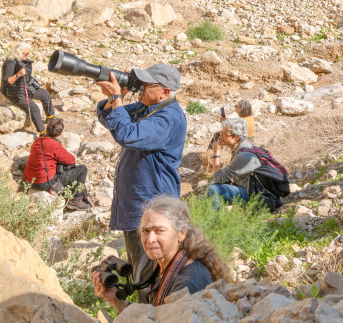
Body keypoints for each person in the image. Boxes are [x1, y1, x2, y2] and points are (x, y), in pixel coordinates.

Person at [96, 64, 186, 302]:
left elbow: (126, 134)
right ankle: (144, 310)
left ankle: (149, 313)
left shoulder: (167, 118)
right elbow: (111, 119)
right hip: (137, 205)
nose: (142, 88)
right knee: (140, 270)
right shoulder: (146, 108)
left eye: (147, 84)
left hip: (152, 208)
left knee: (148, 275)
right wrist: (118, 96)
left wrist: (117, 98)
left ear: (165, 91)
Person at [90, 196, 230, 312]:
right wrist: (115, 299)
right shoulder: (165, 263)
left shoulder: (187, 284)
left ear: (181, 234)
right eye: (146, 231)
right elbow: (155, 317)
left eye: (160, 231)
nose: (150, 239)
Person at [208, 118, 277, 208]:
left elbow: (217, 178)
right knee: (215, 184)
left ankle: (216, 216)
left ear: (237, 137)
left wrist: (216, 154)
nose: (220, 136)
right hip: (253, 190)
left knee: (213, 189)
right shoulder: (246, 145)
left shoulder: (243, 156)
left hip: (255, 196)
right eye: (221, 132)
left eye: (224, 134)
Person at [24, 118, 90, 211]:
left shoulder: (37, 141)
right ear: (60, 134)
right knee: (82, 169)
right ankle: (76, 199)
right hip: (44, 183)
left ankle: (67, 192)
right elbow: (71, 160)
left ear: (46, 129)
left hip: (29, 181)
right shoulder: (54, 145)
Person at [1, 43, 55, 134]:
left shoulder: (23, 61)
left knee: (45, 94)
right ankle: (42, 133)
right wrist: (18, 75)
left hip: (24, 87)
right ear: (18, 53)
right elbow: (7, 81)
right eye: (25, 54)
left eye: (28, 53)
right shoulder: (10, 63)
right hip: (13, 92)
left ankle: (51, 119)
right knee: (34, 108)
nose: (27, 55)